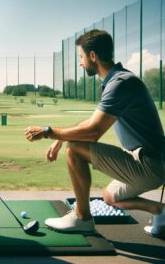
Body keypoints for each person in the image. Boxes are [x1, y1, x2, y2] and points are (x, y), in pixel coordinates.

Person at [25, 29, 165, 238]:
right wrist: (61, 138)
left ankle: (82, 218)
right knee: (110, 197)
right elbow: (92, 123)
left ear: (93, 56)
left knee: (75, 150)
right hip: (148, 162)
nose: (80, 63)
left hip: (149, 163)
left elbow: (93, 132)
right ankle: (160, 211)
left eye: (81, 57)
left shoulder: (120, 83)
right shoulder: (117, 81)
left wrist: (49, 132)